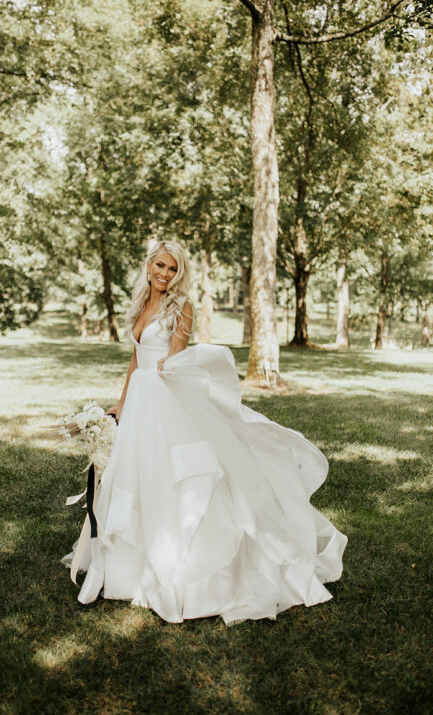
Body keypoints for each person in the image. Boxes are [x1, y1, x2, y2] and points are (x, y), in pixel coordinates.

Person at [62, 239, 347, 625]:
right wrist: (122, 401)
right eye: (160, 265)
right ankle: (126, 566)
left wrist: (157, 380)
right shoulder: (141, 304)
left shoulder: (182, 307)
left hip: (164, 399)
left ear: (179, 273)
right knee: (136, 477)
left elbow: (176, 359)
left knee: (175, 478)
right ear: (148, 266)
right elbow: (136, 358)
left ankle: (188, 572)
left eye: (172, 269)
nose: (165, 274)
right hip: (141, 398)